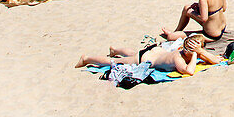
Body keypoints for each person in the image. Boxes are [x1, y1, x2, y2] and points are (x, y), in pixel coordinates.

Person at [75, 34, 220, 75]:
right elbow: (189, 71)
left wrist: (200, 52)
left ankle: (115, 49)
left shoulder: (188, 52)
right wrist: (196, 55)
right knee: (116, 62)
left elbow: (215, 60)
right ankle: (87, 58)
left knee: (133, 52)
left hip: (155, 51)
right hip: (145, 58)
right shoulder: (179, 57)